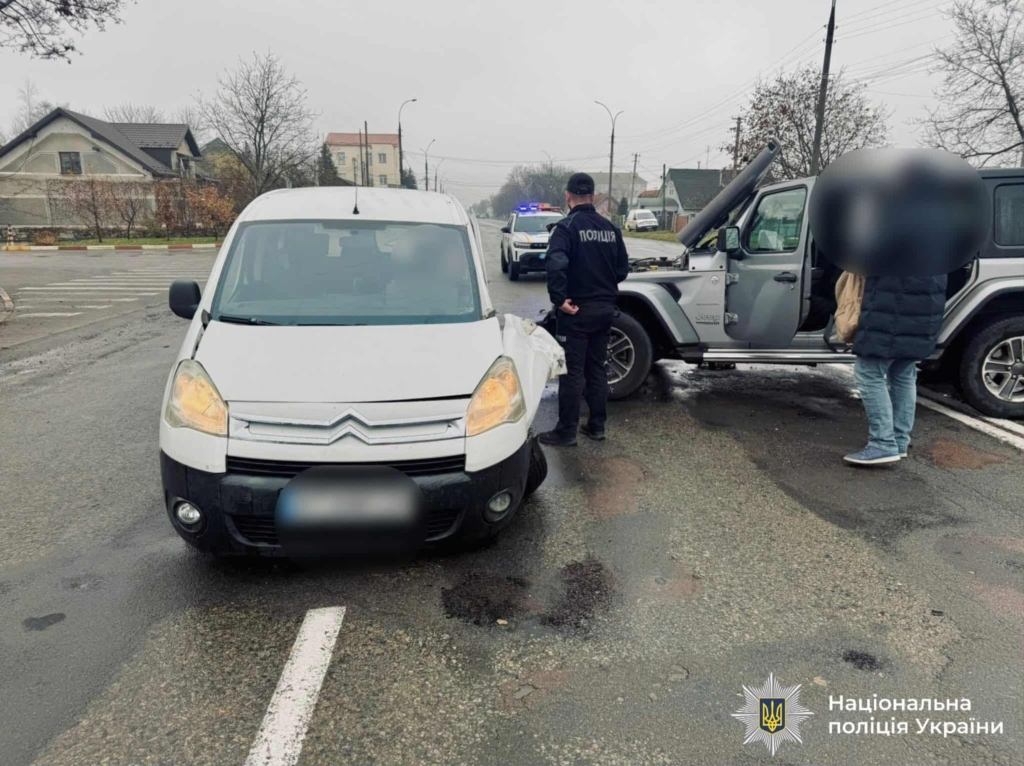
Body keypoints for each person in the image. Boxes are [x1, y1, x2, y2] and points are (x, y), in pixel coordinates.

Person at [538, 173, 630, 447]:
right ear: (593, 196)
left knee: (572, 372)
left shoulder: (566, 228)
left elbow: (555, 264)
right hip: (604, 310)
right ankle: (597, 426)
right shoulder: (610, 229)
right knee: (597, 369)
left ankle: (566, 431)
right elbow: (623, 270)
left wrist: (559, 299)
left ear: (568, 197)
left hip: (575, 311)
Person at [845, 273, 947, 466]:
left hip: (890, 311)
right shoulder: (942, 244)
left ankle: (882, 444)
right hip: (925, 312)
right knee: (903, 373)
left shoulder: (895, 241)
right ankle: (899, 442)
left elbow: (867, 261)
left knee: (868, 372)